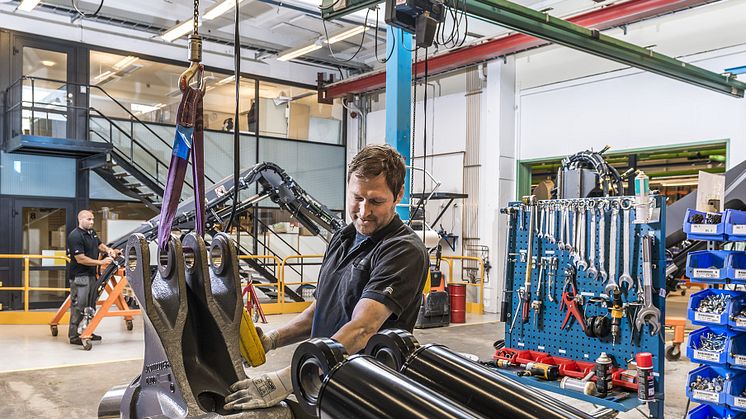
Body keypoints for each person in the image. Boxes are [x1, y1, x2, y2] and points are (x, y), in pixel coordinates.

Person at [224, 144, 429, 411]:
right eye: (357, 198)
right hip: (322, 382)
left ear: (398, 195)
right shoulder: (343, 238)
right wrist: (272, 340)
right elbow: (320, 311)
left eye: (376, 201)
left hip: (365, 392)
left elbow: (363, 328)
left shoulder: (402, 249)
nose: (364, 211)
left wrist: (286, 379)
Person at [66, 210, 119, 345]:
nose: (92, 222)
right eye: (89, 219)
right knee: (79, 306)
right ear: (81, 219)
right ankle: (74, 336)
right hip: (80, 277)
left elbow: (99, 244)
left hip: (91, 275)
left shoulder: (91, 232)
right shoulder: (75, 236)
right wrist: (101, 262)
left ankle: (87, 331)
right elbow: (80, 259)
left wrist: (108, 250)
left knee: (90, 305)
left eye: (93, 219)